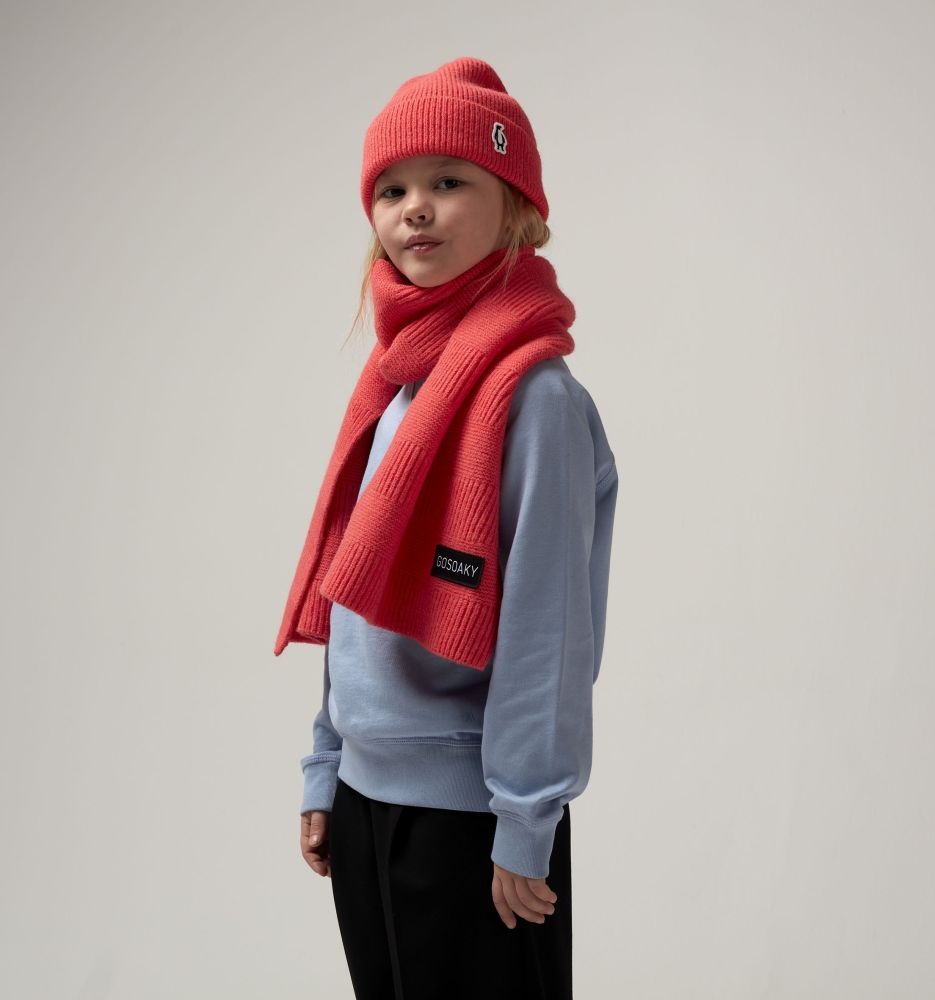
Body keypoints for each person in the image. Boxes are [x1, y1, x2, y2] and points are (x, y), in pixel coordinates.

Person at [275, 56, 619, 1000]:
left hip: (476, 822)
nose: (414, 209)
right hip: (365, 805)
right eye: (391, 190)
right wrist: (328, 762)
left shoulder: (538, 401)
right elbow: (354, 592)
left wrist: (526, 819)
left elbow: (548, 632)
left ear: (516, 209)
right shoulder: (393, 389)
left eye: (449, 181)